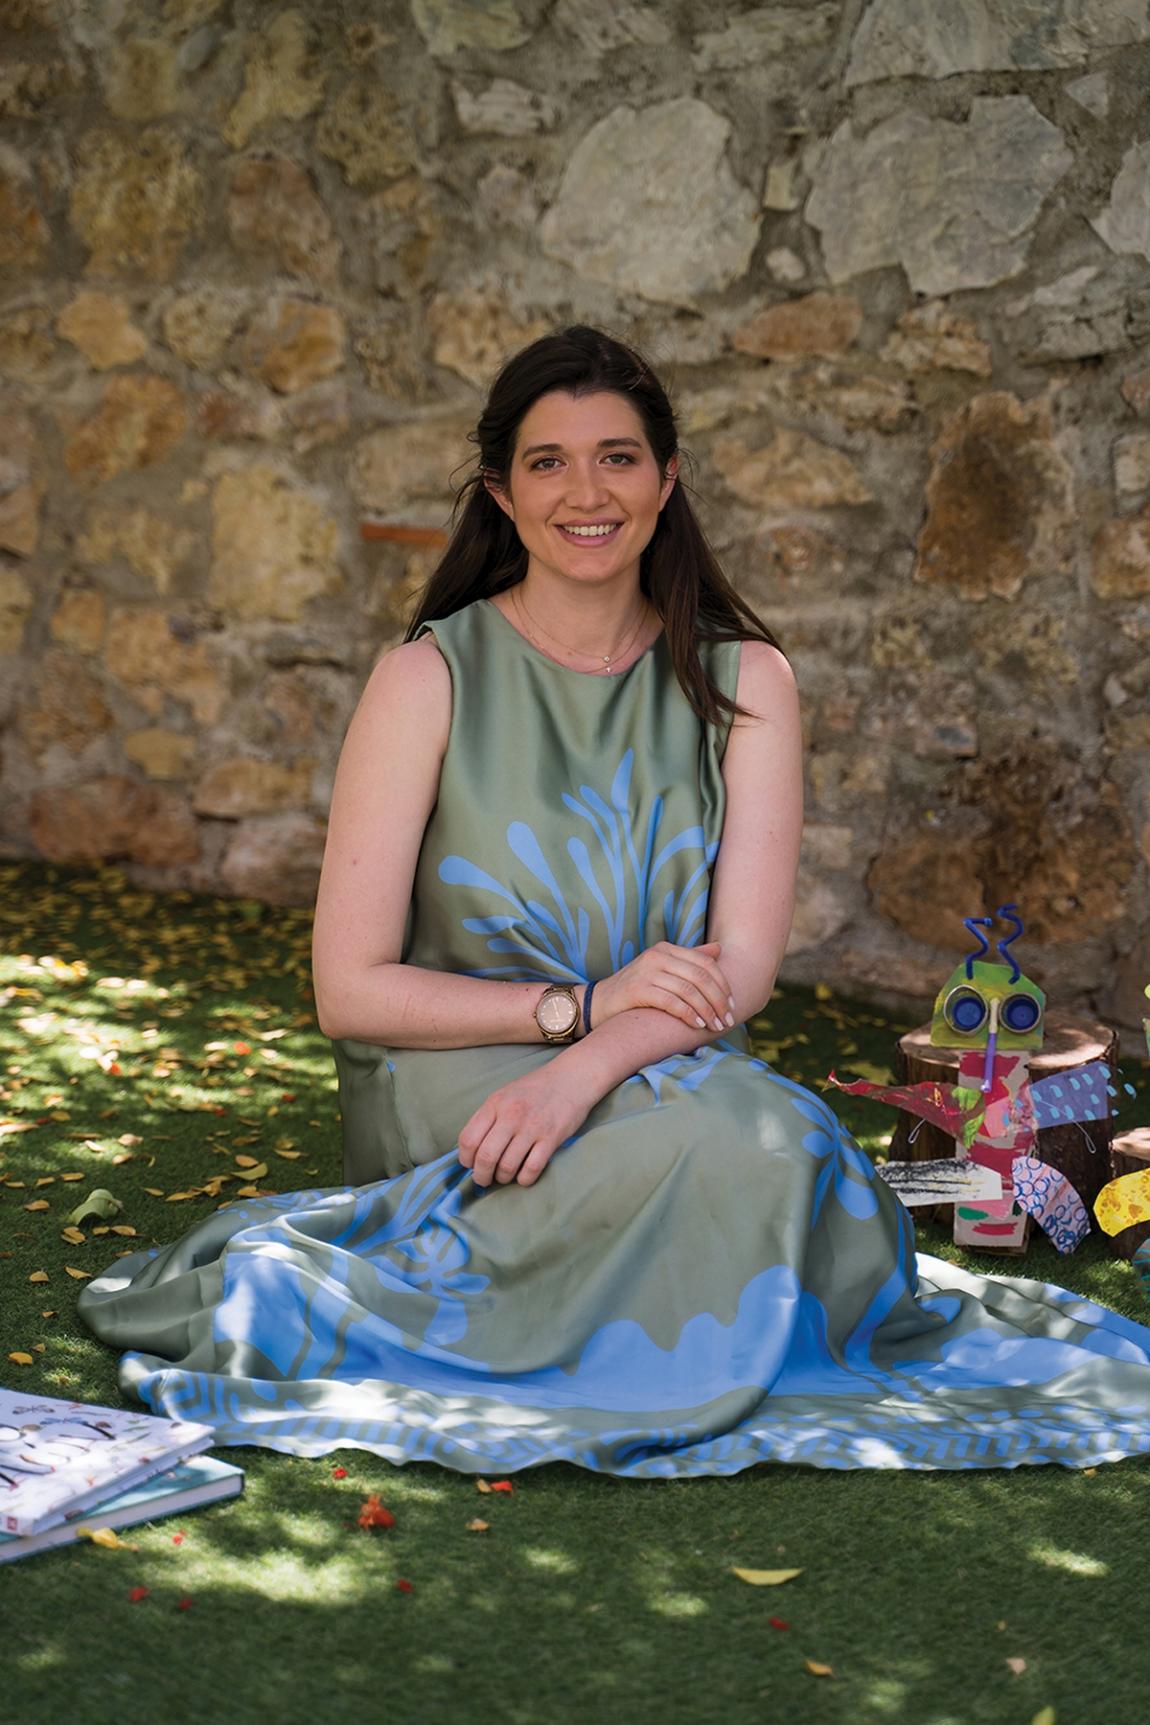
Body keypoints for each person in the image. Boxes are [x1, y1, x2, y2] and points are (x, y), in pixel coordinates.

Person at [78, 326, 1150, 1477]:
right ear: (500, 492)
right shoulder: (427, 678)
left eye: (617, 458)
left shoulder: (746, 681)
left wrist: (584, 1063)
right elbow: (350, 993)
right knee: (739, 1160)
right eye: (547, 462)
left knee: (784, 1142)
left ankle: (641, 1314)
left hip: (666, 1065)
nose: (585, 493)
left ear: (666, 478)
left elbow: (738, 973)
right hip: (458, 1077)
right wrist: (577, 1011)